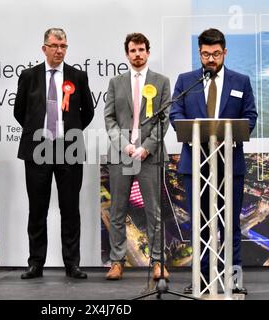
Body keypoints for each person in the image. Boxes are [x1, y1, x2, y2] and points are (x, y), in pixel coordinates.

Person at [169, 28, 258, 294]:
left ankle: (233, 280)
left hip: (230, 164)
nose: (211, 59)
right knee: (201, 224)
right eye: (206, 54)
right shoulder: (187, 82)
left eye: (216, 54)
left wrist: (228, 137)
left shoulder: (240, 82)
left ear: (225, 52)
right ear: (199, 53)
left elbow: (250, 117)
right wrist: (194, 134)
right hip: (194, 165)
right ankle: (202, 278)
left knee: (230, 225)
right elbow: (176, 113)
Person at [14, 28, 94, 279]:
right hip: (37, 148)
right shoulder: (28, 76)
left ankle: (72, 264)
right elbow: (20, 112)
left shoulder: (77, 76)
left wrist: (69, 132)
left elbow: (87, 113)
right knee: (37, 209)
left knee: (70, 209)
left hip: (68, 148)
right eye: (55, 45)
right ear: (44, 48)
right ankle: (35, 263)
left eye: (64, 46)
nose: (59, 50)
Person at [104, 33, 171, 281]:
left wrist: (147, 147)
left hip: (149, 157)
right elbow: (109, 118)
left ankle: (157, 262)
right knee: (118, 211)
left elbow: (164, 119)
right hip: (121, 156)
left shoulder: (162, 82)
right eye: (133, 50)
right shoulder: (115, 82)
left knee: (154, 213)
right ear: (127, 54)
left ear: (148, 52)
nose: (137, 54)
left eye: (141, 49)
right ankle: (117, 262)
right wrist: (124, 145)